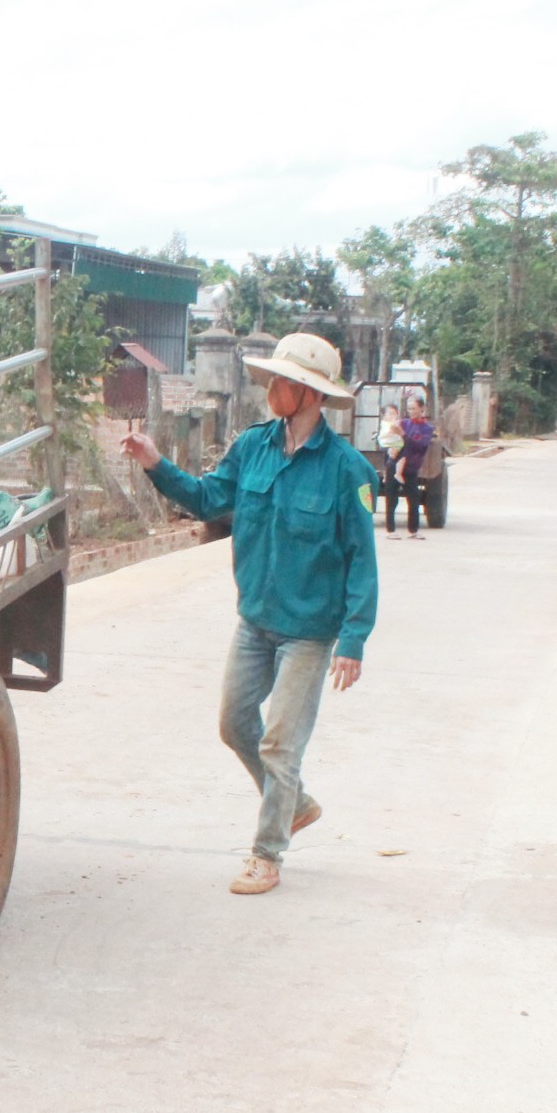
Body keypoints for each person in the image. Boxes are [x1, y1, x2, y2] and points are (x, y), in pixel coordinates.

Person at [118, 332, 378, 895]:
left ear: (308, 394)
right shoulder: (253, 447)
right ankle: (296, 804)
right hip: (256, 621)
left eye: (280, 381)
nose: (269, 388)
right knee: (234, 724)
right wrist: (156, 463)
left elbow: (362, 561)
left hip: (310, 632)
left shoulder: (347, 471)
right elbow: (210, 499)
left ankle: (267, 854)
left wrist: (354, 639)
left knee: (280, 744)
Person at [389, 394, 435, 539]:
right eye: (409, 408)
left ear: (422, 408)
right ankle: (391, 531)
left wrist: (403, 435)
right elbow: (392, 440)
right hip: (395, 465)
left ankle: (413, 530)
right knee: (391, 498)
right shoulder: (402, 423)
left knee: (413, 499)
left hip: (411, 468)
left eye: (414, 408)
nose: (411, 411)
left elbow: (421, 446)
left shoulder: (427, 428)